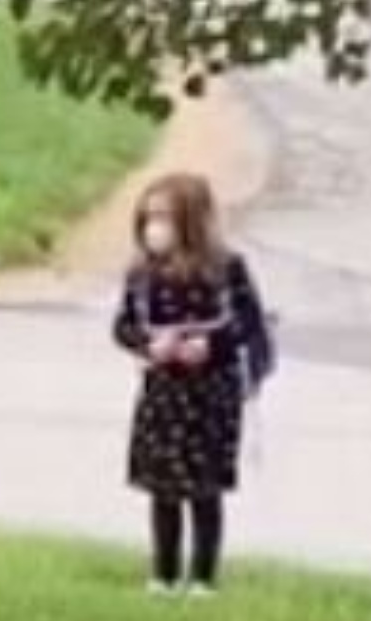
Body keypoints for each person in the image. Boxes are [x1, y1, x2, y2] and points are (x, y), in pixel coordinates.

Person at [112, 172, 270, 597]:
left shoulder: (226, 269)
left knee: (204, 487)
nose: (154, 227)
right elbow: (124, 326)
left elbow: (245, 323)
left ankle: (202, 575)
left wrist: (210, 345)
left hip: (210, 395)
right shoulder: (142, 274)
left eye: (163, 216)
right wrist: (149, 346)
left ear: (190, 219)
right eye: (148, 218)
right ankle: (162, 572)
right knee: (162, 486)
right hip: (163, 390)